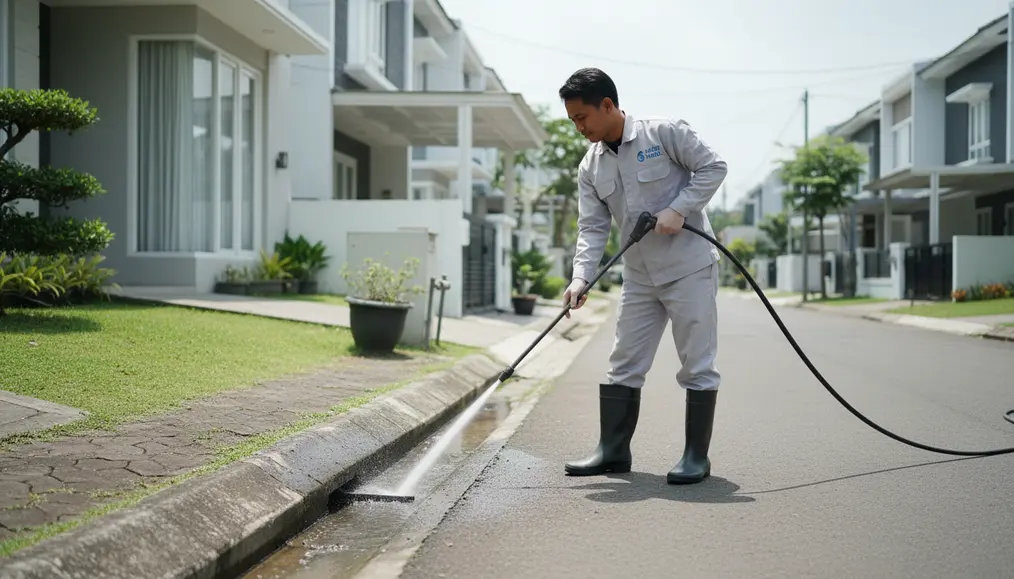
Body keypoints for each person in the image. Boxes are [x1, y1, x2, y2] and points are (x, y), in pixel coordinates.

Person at [559, 67, 728, 485]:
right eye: (572, 121)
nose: (579, 128)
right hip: (639, 276)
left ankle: (695, 457)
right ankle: (612, 451)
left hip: (689, 267)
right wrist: (581, 278)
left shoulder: (663, 134)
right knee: (624, 363)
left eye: (582, 118)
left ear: (608, 105)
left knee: (697, 365)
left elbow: (714, 166)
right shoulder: (590, 167)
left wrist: (680, 208)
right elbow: (592, 228)